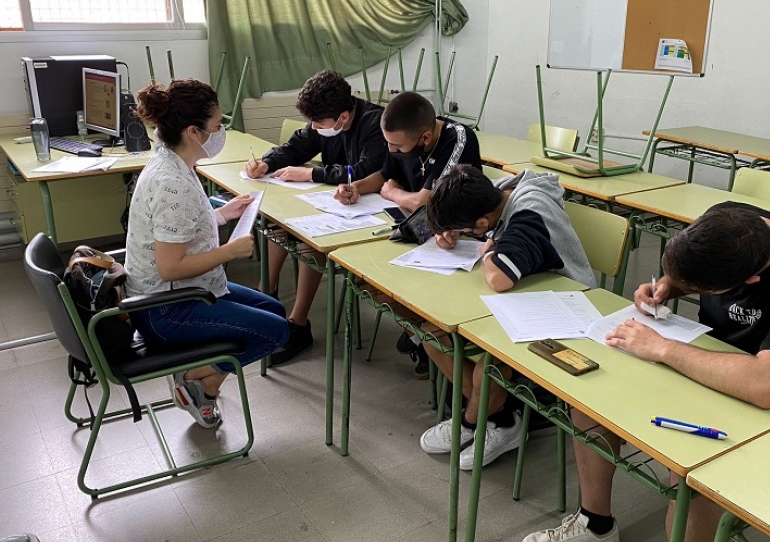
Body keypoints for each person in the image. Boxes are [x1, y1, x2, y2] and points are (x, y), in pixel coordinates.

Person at [523, 202, 770, 542]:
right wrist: (667, 287)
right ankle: (595, 524)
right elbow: (689, 274)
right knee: (591, 398)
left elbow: (767, 385)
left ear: (750, 280)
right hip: (705, 357)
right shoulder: (725, 221)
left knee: (689, 463)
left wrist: (663, 348)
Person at [125, 79, 290, 429]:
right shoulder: (173, 183)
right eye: (217, 126)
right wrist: (229, 251)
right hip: (164, 309)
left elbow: (177, 230)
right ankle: (201, 379)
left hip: (175, 293)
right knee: (276, 332)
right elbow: (171, 267)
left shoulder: (171, 162)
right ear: (193, 132)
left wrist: (222, 215)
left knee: (274, 311)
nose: (220, 132)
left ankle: (198, 377)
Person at [420, 165, 596, 470]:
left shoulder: (529, 210)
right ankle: (499, 418)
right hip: (526, 298)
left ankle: (473, 423)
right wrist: (449, 232)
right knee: (432, 335)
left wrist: (488, 251)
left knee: (488, 364)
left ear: (482, 222)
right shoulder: (495, 193)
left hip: (567, 309)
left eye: (466, 231)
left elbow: (500, 278)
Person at [334, 91, 483, 378]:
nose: (391, 150)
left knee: (394, 281)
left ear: (425, 138)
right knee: (367, 279)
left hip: (459, 238)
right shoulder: (401, 143)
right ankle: (419, 337)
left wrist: (393, 193)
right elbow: (383, 176)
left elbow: (426, 201)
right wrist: (355, 188)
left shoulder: (457, 139)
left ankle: (429, 341)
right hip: (421, 230)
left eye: (397, 146)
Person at [245, 70, 387, 364]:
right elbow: (295, 147)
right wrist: (267, 163)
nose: (313, 127)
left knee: (309, 243)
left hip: (370, 212)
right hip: (335, 204)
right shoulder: (324, 122)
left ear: (343, 118)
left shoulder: (375, 124)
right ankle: (265, 297)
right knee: (278, 224)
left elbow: (365, 171)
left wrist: (311, 174)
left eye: (319, 123)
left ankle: (298, 324)